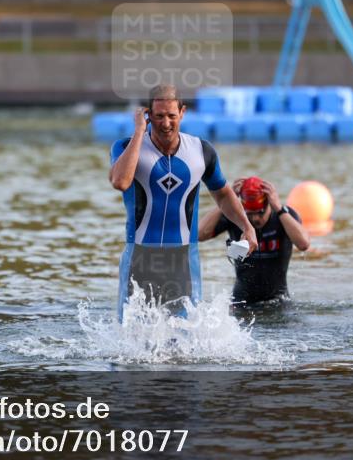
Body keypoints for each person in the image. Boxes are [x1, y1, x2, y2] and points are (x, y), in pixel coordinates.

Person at [109, 84, 257, 321]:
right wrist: (139, 132)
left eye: (171, 116)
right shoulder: (126, 147)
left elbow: (223, 194)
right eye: (158, 116)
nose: (165, 123)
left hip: (183, 260)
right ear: (147, 115)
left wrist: (247, 227)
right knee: (131, 337)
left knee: (186, 338)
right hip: (139, 257)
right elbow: (120, 181)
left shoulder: (201, 151)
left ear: (183, 112)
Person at [198, 176, 310, 306]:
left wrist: (279, 209)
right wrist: (225, 201)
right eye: (249, 214)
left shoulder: (284, 216)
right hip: (241, 301)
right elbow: (200, 235)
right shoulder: (234, 217)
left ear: (269, 203)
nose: (255, 219)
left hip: (278, 301)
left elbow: (304, 244)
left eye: (260, 213)